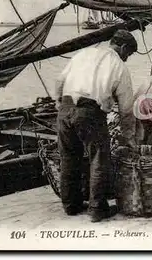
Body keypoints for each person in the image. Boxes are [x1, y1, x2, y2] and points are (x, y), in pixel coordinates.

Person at [54, 29, 138, 222]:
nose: (127, 58)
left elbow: (60, 80)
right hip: (89, 112)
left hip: (66, 109)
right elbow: (126, 109)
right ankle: (97, 208)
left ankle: (71, 205)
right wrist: (128, 136)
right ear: (123, 47)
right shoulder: (118, 66)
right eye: (129, 54)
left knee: (68, 158)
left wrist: (59, 103)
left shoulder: (85, 53)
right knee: (99, 158)